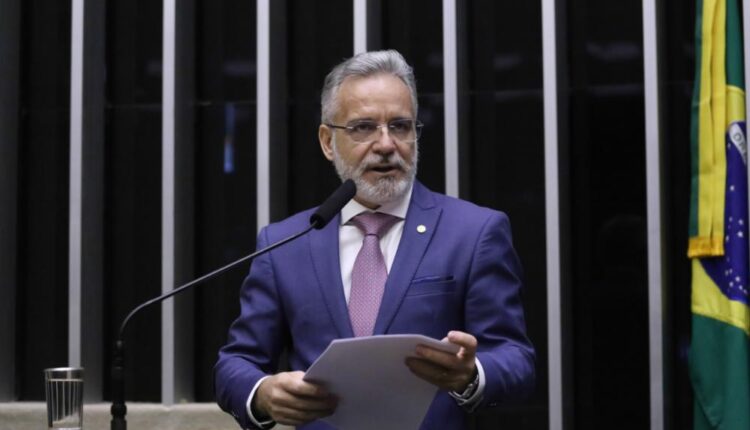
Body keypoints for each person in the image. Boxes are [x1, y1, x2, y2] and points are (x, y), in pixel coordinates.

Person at [214, 49, 535, 429]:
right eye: (363, 127)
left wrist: (472, 374)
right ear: (328, 141)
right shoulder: (286, 243)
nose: (385, 144)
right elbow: (236, 362)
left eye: (399, 126)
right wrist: (263, 394)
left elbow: (515, 358)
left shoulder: (474, 232)